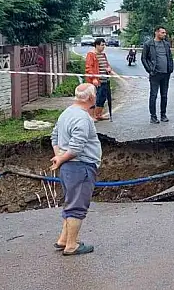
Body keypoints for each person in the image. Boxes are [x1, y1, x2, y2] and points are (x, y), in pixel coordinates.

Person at [50, 83, 102, 256]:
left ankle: (63, 239)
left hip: (68, 168)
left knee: (70, 202)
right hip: (81, 167)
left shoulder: (67, 113)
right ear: (91, 98)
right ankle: (72, 245)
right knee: (77, 206)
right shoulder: (82, 118)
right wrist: (62, 158)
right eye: (95, 94)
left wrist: (59, 156)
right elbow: (76, 147)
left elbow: (54, 136)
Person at [141, 26, 174, 124]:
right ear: (156, 32)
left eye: (165, 33)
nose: (164, 34)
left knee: (164, 95)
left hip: (166, 74)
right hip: (155, 74)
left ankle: (163, 115)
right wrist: (149, 70)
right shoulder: (148, 44)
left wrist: (170, 68)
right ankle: (153, 116)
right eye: (162, 32)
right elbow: (144, 58)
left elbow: (170, 57)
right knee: (153, 95)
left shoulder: (166, 44)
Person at [84, 38, 112, 121]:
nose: (104, 47)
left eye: (104, 45)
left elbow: (107, 64)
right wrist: (93, 78)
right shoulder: (91, 55)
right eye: (102, 45)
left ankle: (98, 114)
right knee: (94, 98)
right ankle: (92, 116)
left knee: (102, 98)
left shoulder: (103, 55)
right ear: (97, 45)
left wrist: (109, 68)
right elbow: (89, 68)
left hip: (105, 80)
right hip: (97, 81)